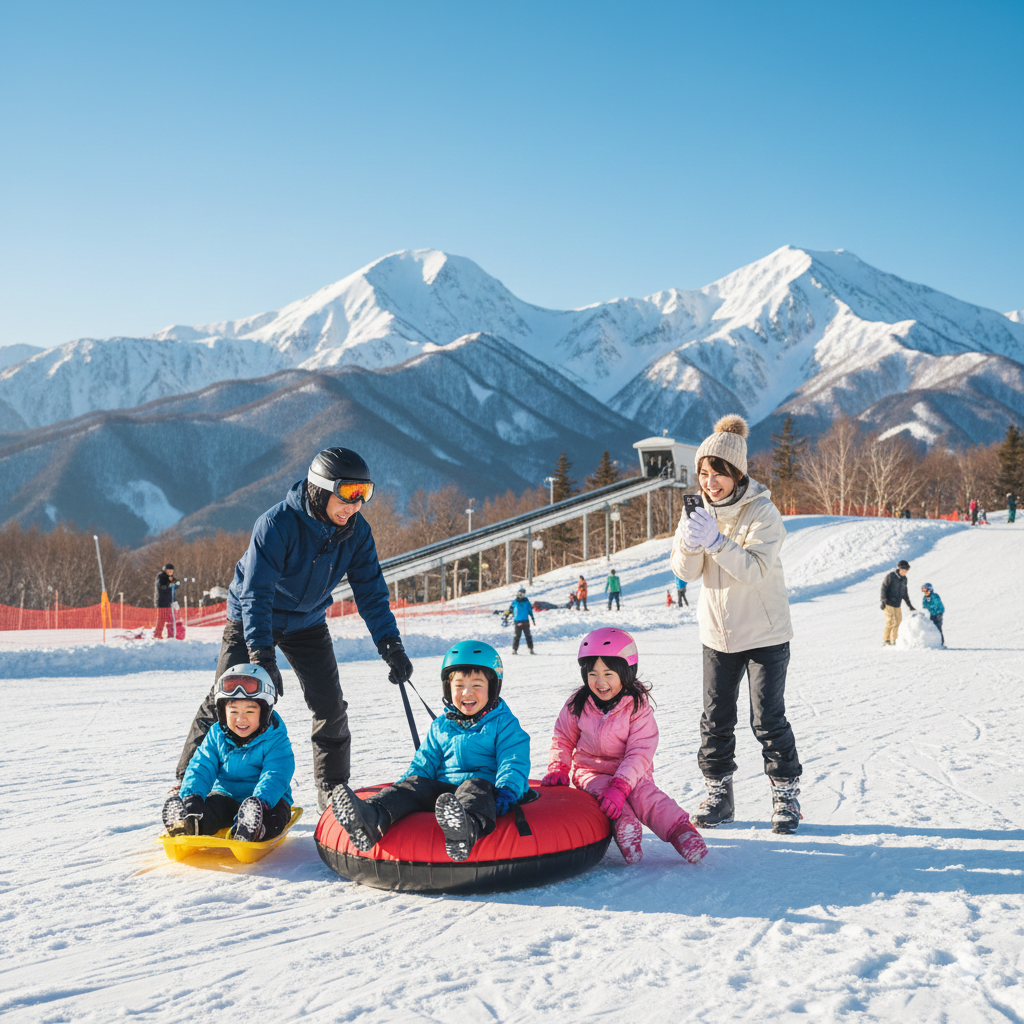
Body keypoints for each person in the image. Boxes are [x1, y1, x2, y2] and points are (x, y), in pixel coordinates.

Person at [173, 447, 413, 813]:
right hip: (253, 618)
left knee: (329, 704)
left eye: (364, 494)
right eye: (348, 493)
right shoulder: (277, 524)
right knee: (229, 695)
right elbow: (256, 595)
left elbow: (372, 593)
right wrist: (261, 657)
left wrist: (390, 644)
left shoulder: (357, 533)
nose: (355, 505)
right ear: (320, 488)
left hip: (307, 622)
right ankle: (186, 789)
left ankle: (333, 793)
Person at [672, 414, 803, 834]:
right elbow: (685, 572)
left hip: (765, 634)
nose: (710, 483)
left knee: (767, 719)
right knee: (715, 720)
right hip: (717, 634)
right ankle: (719, 794)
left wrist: (715, 541)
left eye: (718, 474)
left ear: (738, 473)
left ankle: (785, 795)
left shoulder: (764, 513)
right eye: (703, 474)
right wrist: (692, 544)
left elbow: (753, 569)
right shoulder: (698, 512)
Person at [330, 641, 530, 862]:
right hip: (444, 797)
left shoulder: (503, 723)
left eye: (477, 685)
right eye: (459, 685)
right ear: (448, 688)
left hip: (485, 791)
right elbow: (424, 762)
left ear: (493, 688)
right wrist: (406, 786)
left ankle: (466, 829)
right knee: (416, 784)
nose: (467, 692)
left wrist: (507, 789)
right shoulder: (441, 725)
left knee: (475, 785)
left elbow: (513, 759)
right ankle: (372, 818)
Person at [543, 627, 707, 865]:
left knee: (646, 797)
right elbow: (563, 738)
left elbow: (640, 752)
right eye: (592, 673)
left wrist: (621, 786)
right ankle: (626, 830)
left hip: (631, 772)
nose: (600, 682)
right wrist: (559, 767)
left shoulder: (637, 707)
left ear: (626, 672)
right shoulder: (577, 704)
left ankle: (681, 832)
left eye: (608, 673)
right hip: (591, 771)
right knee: (604, 799)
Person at [163, 664, 294, 842]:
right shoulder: (217, 734)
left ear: (264, 713)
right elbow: (201, 766)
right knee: (210, 809)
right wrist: (192, 796)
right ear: (223, 713)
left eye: (250, 711)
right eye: (233, 712)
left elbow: (276, 774)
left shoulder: (276, 739)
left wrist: (260, 801)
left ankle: (255, 830)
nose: (241, 719)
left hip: (267, 801)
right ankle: (189, 823)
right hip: (227, 795)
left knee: (275, 817)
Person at [881, 559, 915, 646]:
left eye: (906, 571)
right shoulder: (891, 576)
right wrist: (883, 600)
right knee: (891, 622)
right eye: (903, 571)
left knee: (899, 621)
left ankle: (893, 639)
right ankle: (888, 640)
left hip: (897, 604)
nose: (904, 573)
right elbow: (884, 588)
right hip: (888, 603)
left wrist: (909, 605)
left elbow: (904, 593)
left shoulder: (904, 579)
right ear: (899, 568)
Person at [508, 588, 536, 654]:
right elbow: (510, 609)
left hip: (525, 621)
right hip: (517, 621)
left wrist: (533, 619)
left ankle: (531, 649)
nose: (521, 596)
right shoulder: (515, 601)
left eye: (522, 594)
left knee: (528, 636)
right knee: (517, 636)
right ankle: (514, 649)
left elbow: (530, 610)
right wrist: (509, 614)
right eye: (520, 594)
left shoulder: (526, 601)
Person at [153, 563, 177, 639]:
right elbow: (161, 586)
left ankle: (171, 635)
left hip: (168, 602)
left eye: (171, 571)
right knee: (162, 619)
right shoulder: (161, 577)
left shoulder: (170, 578)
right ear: (165, 570)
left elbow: (171, 591)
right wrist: (168, 585)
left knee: (170, 619)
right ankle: (157, 634)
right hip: (162, 602)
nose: (170, 572)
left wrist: (174, 601)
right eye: (168, 570)